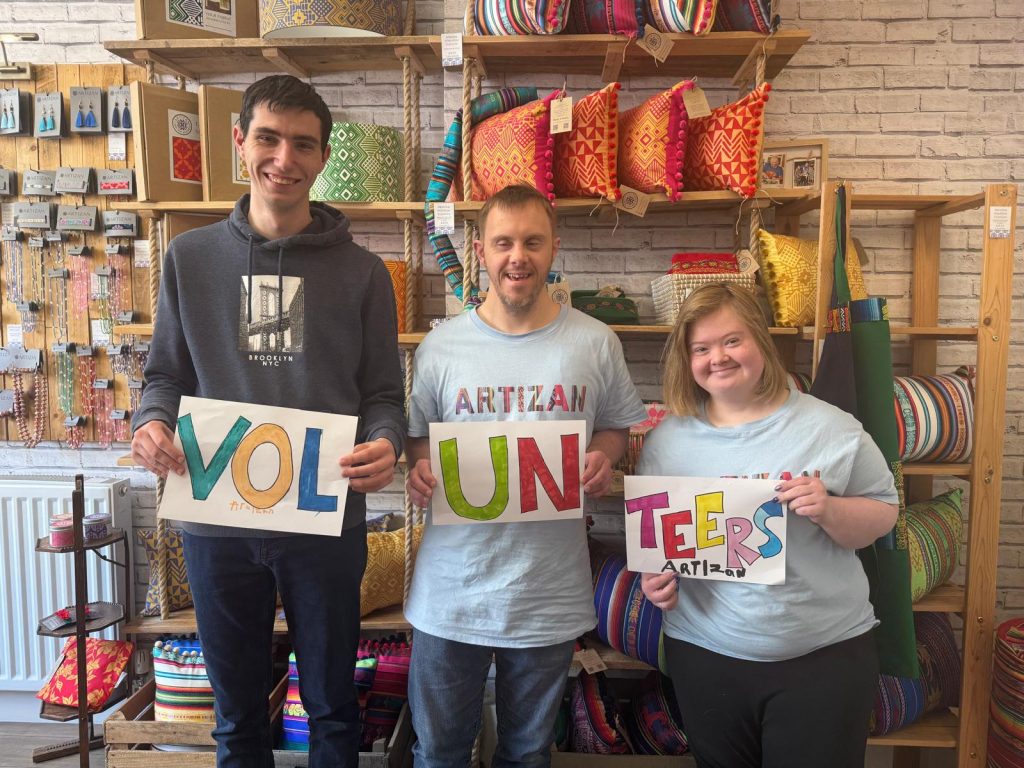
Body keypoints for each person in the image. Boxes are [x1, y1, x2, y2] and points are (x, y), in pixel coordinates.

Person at [130, 74, 405, 768]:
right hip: (217, 522)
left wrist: (385, 442)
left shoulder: (366, 273)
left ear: (322, 156)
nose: (284, 158)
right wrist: (152, 420)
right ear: (239, 142)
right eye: (269, 138)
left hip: (325, 522)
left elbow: (381, 392)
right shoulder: (189, 259)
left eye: (303, 144)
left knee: (334, 710)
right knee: (237, 716)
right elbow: (165, 374)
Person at [405, 184, 646, 767]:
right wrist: (417, 466)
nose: (519, 256)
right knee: (438, 753)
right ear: (481, 251)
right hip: (449, 593)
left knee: (528, 753)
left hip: (548, 593)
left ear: (554, 248)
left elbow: (618, 426)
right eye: (504, 242)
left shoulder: (594, 340)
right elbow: (417, 435)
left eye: (533, 242)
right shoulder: (440, 347)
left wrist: (605, 456)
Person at [638, 282, 898, 768]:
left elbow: (884, 513)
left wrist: (829, 509)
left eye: (732, 340)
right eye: (702, 348)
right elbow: (661, 548)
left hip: (824, 656)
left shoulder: (832, 428)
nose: (718, 357)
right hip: (706, 654)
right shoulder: (666, 441)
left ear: (760, 340)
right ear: (686, 358)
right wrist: (657, 584)